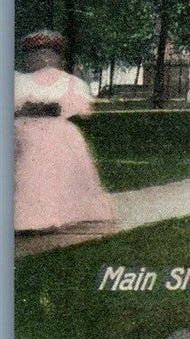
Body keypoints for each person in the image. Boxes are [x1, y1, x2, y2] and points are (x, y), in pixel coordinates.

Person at [14, 30, 116, 233]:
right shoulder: (18, 80)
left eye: (49, 54)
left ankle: (45, 216)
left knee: (53, 170)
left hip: (57, 133)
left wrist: (53, 108)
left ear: (56, 56)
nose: (43, 59)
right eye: (35, 54)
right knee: (26, 167)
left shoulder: (70, 82)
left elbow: (81, 110)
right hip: (22, 131)